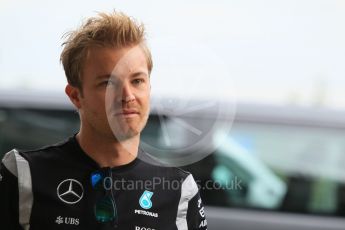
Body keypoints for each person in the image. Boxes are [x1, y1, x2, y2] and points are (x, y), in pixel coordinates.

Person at [0, 11, 208, 230]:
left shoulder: (181, 190)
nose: (127, 96)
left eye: (137, 81)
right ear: (75, 96)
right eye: (108, 83)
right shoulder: (23, 174)